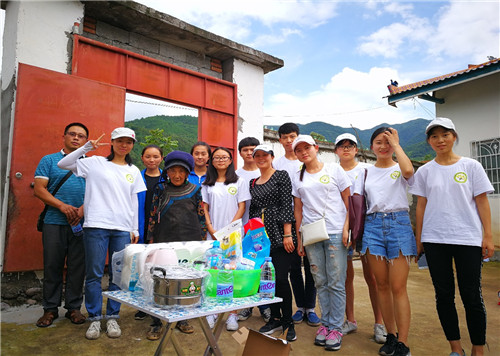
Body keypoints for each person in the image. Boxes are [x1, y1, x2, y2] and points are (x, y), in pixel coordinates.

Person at [409, 117, 494, 356]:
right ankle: (455, 348)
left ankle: (478, 348)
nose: (440, 140)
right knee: (444, 295)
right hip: (435, 240)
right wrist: (419, 240)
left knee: (471, 295)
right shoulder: (425, 171)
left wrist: (487, 237)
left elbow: (482, 202)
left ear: (454, 136)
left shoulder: (471, 166)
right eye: (434, 136)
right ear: (429, 141)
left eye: (445, 134)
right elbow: (421, 206)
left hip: (468, 239)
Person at [58, 127, 146, 340]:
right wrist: (87, 147)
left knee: (117, 275)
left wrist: (134, 229)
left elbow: (134, 201)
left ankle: (113, 316)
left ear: (132, 145)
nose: (123, 145)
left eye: (128, 142)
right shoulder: (95, 162)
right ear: (113, 142)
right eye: (119, 141)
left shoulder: (133, 170)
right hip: (96, 225)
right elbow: (64, 163)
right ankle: (94, 318)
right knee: (94, 274)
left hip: (122, 229)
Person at [357, 127, 416, 356]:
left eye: (387, 142)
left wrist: (397, 145)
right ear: (371, 146)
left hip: (399, 224)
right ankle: (390, 336)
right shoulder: (365, 172)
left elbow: (410, 171)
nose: (383, 146)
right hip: (373, 226)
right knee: (381, 285)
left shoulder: (400, 167)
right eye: (379, 142)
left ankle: (403, 341)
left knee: (398, 287)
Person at [292, 135, 351, 351]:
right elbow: (298, 210)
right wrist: (299, 238)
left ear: (316, 148)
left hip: (335, 232)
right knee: (320, 281)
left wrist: (347, 228)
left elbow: (348, 201)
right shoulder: (297, 177)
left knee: (336, 281)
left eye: (307, 147)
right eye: (299, 150)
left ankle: (335, 327)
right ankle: (325, 325)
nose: (304, 152)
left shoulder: (334, 170)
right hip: (311, 234)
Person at [145, 150, 207, 339]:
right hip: (164, 239)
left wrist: (202, 240)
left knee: (185, 278)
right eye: (173, 171)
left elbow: (201, 215)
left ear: (188, 172)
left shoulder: (196, 189)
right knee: (161, 279)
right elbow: (153, 213)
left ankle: (182, 319)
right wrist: (150, 239)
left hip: (189, 241)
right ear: (167, 172)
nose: (177, 175)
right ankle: (157, 321)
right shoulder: (160, 189)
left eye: (182, 171)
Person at [33, 122, 89, 328]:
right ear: (64, 136)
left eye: (81, 136)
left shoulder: (89, 164)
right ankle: (49, 309)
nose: (76, 138)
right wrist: (63, 206)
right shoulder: (49, 160)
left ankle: (74, 308)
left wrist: (82, 209)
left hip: (82, 224)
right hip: (53, 222)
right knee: (52, 265)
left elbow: (96, 192)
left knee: (78, 267)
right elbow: (39, 189)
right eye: (72, 134)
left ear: (85, 142)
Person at [334, 133, 386, 344]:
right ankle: (351, 320)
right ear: (336, 150)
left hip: (365, 228)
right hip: (341, 228)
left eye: (350, 146)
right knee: (345, 277)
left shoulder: (367, 170)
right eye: (341, 146)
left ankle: (380, 324)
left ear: (356, 149)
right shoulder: (332, 171)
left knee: (373, 277)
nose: (346, 149)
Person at [249, 144, 297, 342]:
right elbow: (252, 209)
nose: (261, 158)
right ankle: (275, 317)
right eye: (257, 155)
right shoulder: (252, 182)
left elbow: (287, 204)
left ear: (271, 156)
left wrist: (287, 234)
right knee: (266, 279)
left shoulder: (281, 175)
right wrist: (252, 235)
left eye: (264, 155)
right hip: (260, 235)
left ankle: (288, 322)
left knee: (281, 279)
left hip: (279, 232)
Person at [273, 123, 319, 327]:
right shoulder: (278, 164)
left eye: (293, 136)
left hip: (309, 219)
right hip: (287, 221)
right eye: (285, 137)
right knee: (293, 267)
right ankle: (300, 307)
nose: (289, 141)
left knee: (312, 266)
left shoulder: (306, 161)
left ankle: (311, 307)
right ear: (280, 140)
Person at [202, 147, 250, 331]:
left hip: (233, 235)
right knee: (213, 271)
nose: (221, 160)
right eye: (217, 157)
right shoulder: (207, 183)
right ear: (212, 161)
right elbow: (205, 208)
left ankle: (232, 314)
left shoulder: (239, 181)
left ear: (230, 160)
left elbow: (242, 207)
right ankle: (213, 311)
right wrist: (211, 229)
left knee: (233, 272)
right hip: (213, 234)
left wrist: (229, 230)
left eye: (224, 157)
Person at [234, 137, 272, 324]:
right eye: (245, 150)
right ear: (240, 152)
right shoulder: (235, 175)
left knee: (262, 268)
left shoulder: (264, 171)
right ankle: (246, 306)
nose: (249, 153)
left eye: (253, 150)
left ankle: (265, 307)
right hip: (243, 230)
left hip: (262, 231)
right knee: (246, 267)